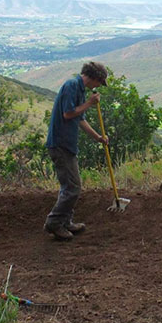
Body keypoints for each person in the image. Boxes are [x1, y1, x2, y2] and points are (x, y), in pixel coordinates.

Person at [43, 61, 110, 241]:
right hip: (60, 144)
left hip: (67, 144)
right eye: (99, 82)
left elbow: (79, 119)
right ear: (95, 78)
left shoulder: (79, 90)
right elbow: (68, 113)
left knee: (70, 186)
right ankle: (55, 223)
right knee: (73, 187)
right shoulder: (72, 86)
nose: (97, 87)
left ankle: (65, 221)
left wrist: (98, 138)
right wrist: (89, 103)